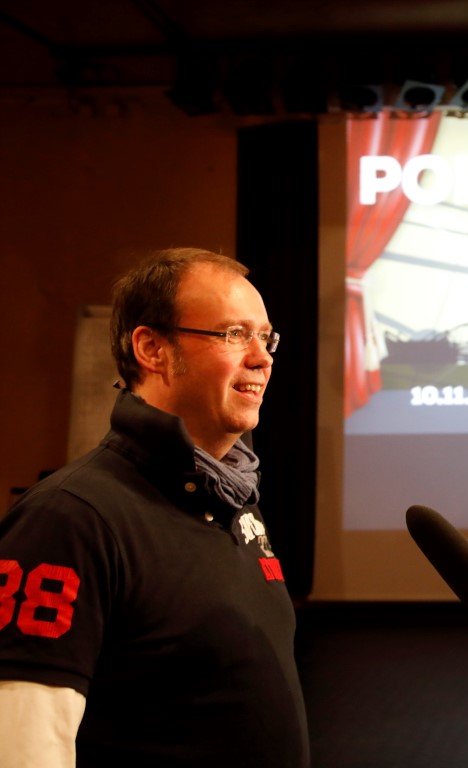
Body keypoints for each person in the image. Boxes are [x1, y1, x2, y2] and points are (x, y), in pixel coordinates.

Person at [0, 248, 308, 767]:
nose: (262, 357)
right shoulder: (70, 518)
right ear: (153, 349)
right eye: (234, 334)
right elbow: (22, 743)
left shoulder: (234, 498)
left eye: (266, 337)